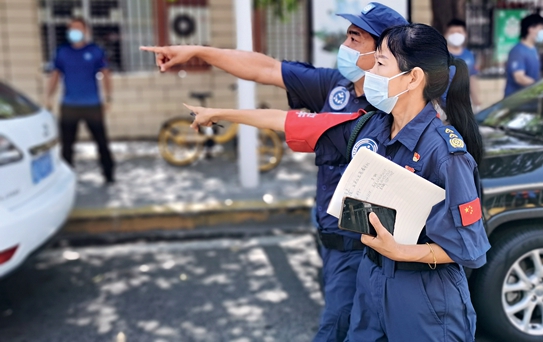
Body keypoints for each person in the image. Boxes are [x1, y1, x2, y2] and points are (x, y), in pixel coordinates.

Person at [183, 23, 490, 341]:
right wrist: (222, 114)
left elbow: (468, 247)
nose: (369, 70)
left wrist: (403, 252)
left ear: (413, 78)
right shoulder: (370, 127)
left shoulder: (445, 153)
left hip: (424, 298)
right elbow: (294, 122)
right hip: (371, 279)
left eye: (381, 63)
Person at [141, 3, 408, 342]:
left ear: (385, 52)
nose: (346, 46)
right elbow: (264, 68)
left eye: (356, 38)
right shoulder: (334, 86)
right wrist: (197, 51)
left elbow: (287, 122)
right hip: (329, 232)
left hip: (363, 242)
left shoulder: (395, 108)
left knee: (338, 328)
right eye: (348, 36)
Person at [45, 17, 115, 184]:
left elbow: (106, 74)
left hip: (92, 106)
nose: (74, 32)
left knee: (101, 143)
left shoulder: (96, 51)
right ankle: (66, 178)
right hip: (69, 106)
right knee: (67, 146)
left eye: (78, 28)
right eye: (71, 29)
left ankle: (109, 174)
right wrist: (48, 97)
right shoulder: (62, 52)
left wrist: (108, 97)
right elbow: (55, 75)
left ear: (86, 31)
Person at [504, 13, 543, 97]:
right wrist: (540, 87)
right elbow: (519, 77)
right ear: (531, 29)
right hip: (517, 101)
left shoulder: (534, 49)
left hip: (530, 99)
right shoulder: (518, 51)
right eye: (541, 29)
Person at [445, 18, 481, 110]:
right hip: (444, 102)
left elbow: (471, 78)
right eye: (452, 32)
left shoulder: (469, 55)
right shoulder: (441, 55)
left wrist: (477, 101)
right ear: (446, 35)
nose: (456, 35)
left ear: (465, 34)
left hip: (463, 102)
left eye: (459, 32)